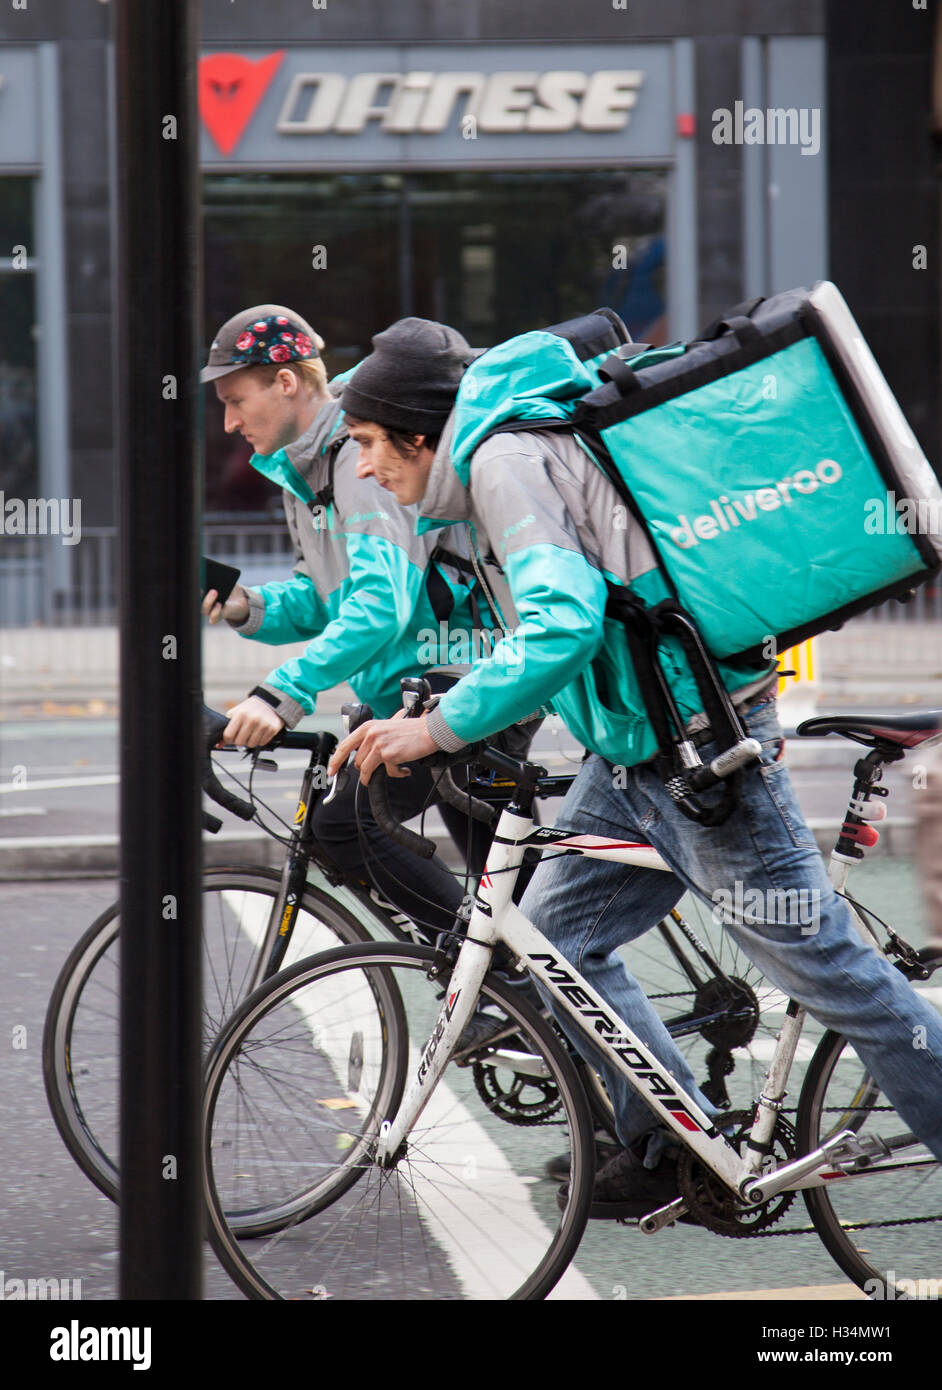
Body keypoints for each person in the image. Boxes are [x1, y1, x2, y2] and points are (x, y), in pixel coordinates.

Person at [330, 315, 942, 1218]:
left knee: (835, 975)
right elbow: (588, 617)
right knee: (555, 944)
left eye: (373, 445)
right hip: (630, 759)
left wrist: (441, 730)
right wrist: (453, 689)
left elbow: (563, 622)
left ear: (423, 434)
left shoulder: (502, 460)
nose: (367, 470)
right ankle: (675, 1148)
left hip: (698, 756)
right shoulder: (512, 451)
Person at [200, 304, 536, 948]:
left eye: (237, 399)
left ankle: (492, 981)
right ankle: (519, 1000)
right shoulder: (305, 472)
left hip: (464, 679)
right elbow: (330, 598)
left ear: (286, 381)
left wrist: (284, 693)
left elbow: (382, 605)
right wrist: (248, 606)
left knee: (345, 827)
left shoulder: (362, 456)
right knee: (511, 901)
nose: (229, 421)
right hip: (417, 690)